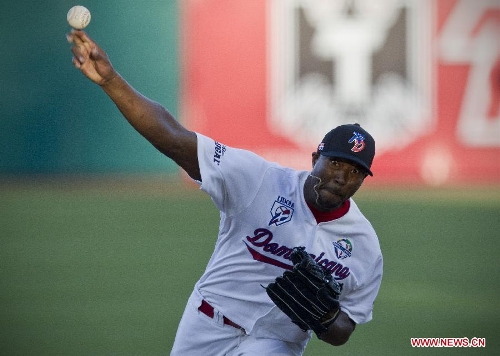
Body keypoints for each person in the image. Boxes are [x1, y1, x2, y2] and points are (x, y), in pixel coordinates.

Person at [67, 30, 383, 356]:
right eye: (336, 164)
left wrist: (327, 316)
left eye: (356, 171)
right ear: (315, 159)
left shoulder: (364, 246)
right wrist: (110, 81)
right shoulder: (257, 179)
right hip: (207, 323)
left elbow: (345, 328)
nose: (342, 177)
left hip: (276, 344)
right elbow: (175, 139)